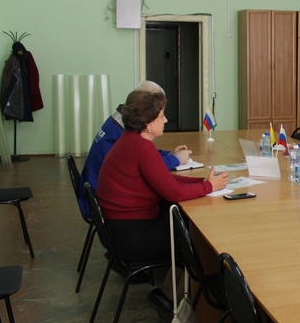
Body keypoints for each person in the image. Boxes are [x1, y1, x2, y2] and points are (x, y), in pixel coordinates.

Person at [96, 89, 229, 265]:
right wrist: (209, 187)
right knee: (201, 237)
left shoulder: (130, 139)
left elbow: (164, 178)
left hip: (120, 229)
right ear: (148, 124)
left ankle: (174, 281)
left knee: (187, 222)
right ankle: (189, 282)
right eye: (161, 116)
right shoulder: (142, 148)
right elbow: (174, 192)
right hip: (132, 236)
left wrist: (201, 181)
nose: (166, 120)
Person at [78, 80, 191, 217]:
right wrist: (176, 159)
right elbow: (148, 166)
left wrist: (169, 154)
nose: (165, 119)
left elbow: (140, 158)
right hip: (105, 204)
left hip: (100, 194)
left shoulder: (121, 121)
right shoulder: (124, 130)